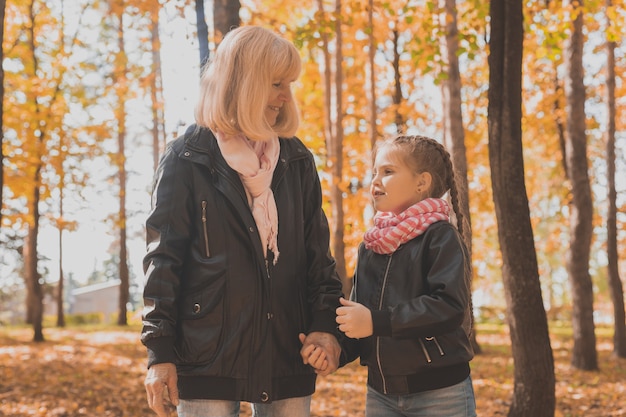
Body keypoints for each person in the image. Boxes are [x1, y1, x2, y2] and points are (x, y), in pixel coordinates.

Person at [141, 25, 343, 417]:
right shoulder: (187, 157)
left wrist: (324, 326)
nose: (286, 96)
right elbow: (163, 260)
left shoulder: (296, 159)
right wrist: (159, 352)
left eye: (289, 84)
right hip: (205, 354)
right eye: (276, 83)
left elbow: (318, 256)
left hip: (288, 349)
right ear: (245, 82)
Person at [335, 134, 477, 417]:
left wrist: (377, 321)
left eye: (388, 172)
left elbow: (448, 307)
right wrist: (333, 351)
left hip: (440, 393)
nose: (375, 180)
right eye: (374, 172)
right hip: (381, 394)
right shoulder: (370, 246)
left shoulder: (439, 236)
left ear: (421, 182)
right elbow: (359, 321)